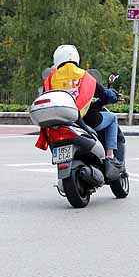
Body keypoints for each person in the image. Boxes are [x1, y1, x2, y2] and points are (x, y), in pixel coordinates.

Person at [37, 44, 121, 181]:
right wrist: (113, 95)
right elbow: (105, 94)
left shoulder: (51, 79)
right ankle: (110, 158)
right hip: (85, 120)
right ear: (76, 58)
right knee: (112, 118)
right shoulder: (83, 75)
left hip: (59, 123)